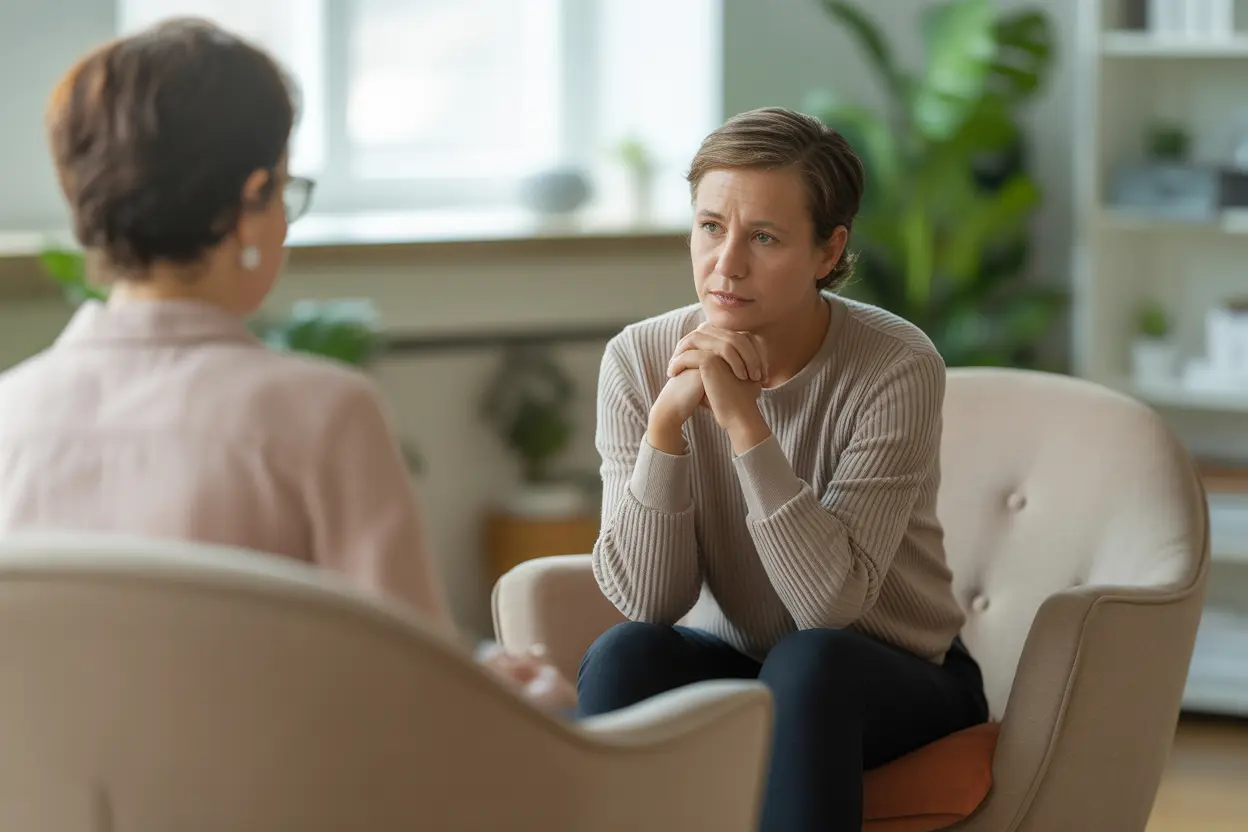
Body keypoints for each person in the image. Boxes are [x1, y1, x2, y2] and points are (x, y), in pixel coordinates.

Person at [0, 18, 574, 712]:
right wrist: (528, 701)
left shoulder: (11, 411)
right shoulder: (324, 414)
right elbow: (416, 709)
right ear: (250, 203)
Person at [576, 107, 991, 831]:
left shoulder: (896, 366)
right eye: (711, 226)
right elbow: (648, 599)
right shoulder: (638, 360)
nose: (726, 264)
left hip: (895, 678)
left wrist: (743, 422)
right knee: (625, 653)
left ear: (830, 251)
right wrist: (667, 425)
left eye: (763, 237)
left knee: (812, 661)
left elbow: (829, 605)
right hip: (745, 667)